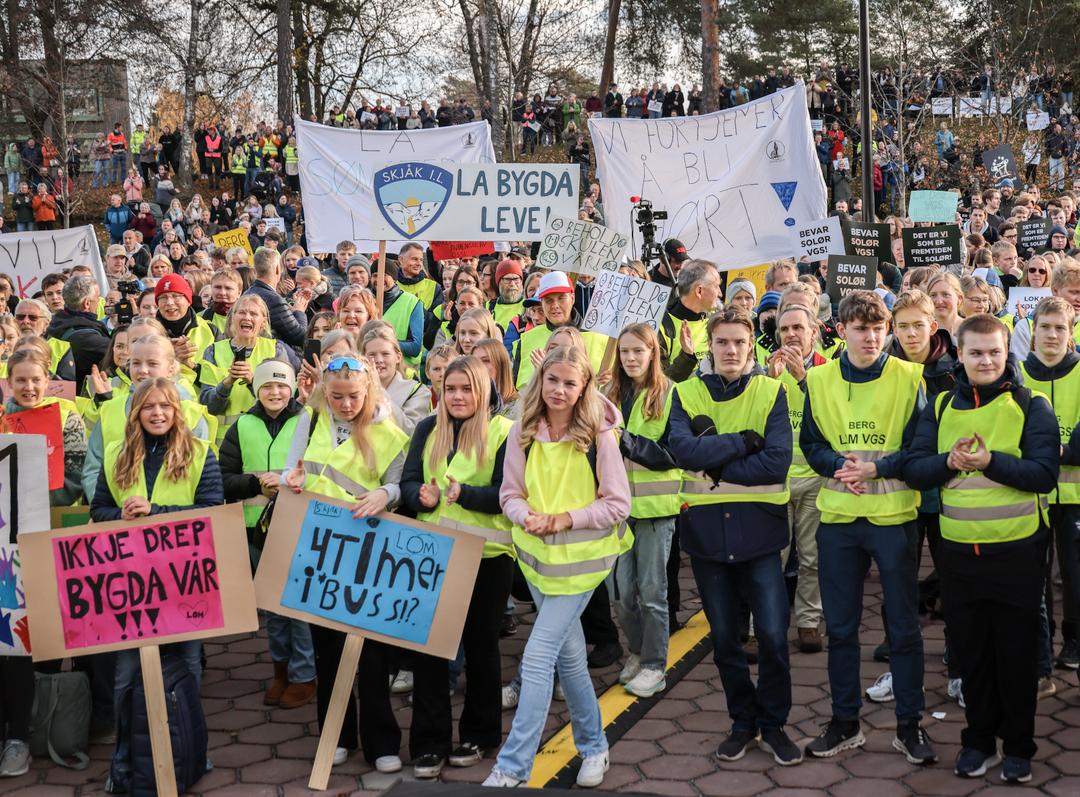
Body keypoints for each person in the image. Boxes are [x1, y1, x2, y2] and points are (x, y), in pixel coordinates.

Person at [906, 314, 1059, 784]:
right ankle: (978, 742)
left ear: (1005, 353)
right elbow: (915, 470)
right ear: (961, 356)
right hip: (956, 554)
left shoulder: (1032, 405)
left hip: (1017, 552)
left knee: (1015, 655)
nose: (986, 360)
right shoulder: (938, 408)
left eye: (994, 352)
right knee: (972, 656)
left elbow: (1042, 475)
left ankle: (1018, 747)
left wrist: (990, 462)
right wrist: (946, 463)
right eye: (975, 353)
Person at [483, 346, 631, 788]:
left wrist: (567, 519)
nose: (560, 390)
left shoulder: (600, 435)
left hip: (582, 565)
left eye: (570, 382)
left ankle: (512, 768)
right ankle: (595, 746)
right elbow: (509, 492)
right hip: (537, 562)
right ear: (540, 382)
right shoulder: (523, 430)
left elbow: (618, 504)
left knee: (537, 656)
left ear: (585, 385)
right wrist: (521, 515)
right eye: (553, 381)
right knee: (570, 661)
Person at [800, 290, 936, 764]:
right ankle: (844, 723)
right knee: (840, 629)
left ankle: (909, 727)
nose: (871, 337)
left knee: (903, 628)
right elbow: (811, 444)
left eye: (879, 329)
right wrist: (839, 465)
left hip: (894, 519)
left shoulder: (908, 377)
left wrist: (875, 470)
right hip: (839, 520)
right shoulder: (817, 380)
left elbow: (921, 447)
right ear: (841, 330)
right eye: (861, 329)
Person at [664, 308, 800, 763]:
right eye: (721, 342)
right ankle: (743, 721)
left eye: (739, 342)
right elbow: (681, 450)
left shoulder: (771, 391)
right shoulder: (684, 392)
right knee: (724, 639)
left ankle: (773, 723)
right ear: (709, 346)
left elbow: (777, 461)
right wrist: (744, 441)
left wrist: (712, 461)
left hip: (760, 532)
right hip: (705, 534)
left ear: (750, 346)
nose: (731, 350)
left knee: (774, 636)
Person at [90, 377, 222, 792]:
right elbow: (99, 510)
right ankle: (124, 763)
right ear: (135, 413)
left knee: (186, 669)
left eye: (165, 405)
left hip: (184, 584)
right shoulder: (116, 455)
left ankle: (191, 753)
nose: (158, 413)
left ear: (178, 410)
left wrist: (157, 511)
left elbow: (212, 511)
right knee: (126, 676)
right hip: (130, 588)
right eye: (148, 407)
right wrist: (122, 517)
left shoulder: (202, 454)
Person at [281, 353, 408, 772]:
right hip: (319, 550)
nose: (345, 404)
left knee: (371, 651)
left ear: (367, 391)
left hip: (367, 552)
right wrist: (291, 481)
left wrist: (386, 495)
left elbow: (401, 481)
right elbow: (290, 471)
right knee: (327, 649)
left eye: (353, 396)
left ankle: (381, 741)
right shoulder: (310, 420)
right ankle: (335, 734)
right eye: (336, 396)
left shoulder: (387, 432)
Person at [400, 356, 515, 778]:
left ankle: (480, 735)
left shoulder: (504, 431)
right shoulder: (428, 429)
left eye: (467, 389)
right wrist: (420, 498)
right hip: (433, 553)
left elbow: (507, 494)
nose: (458, 397)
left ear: (483, 392)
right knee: (430, 648)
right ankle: (429, 742)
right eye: (451, 389)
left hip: (487, 557)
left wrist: (463, 494)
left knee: (482, 649)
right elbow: (410, 481)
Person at [218, 359, 316, 708]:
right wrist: (255, 483)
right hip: (254, 527)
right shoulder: (242, 425)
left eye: (281, 385)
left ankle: (305, 674)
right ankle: (281, 670)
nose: (275, 392)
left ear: (291, 387)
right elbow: (223, 477)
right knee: (272, 605)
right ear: (257, 389)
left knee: (297, 605)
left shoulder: (308, 420)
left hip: (297, 524)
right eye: (267, 386)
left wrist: (290, 485)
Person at [604, 324, 682, 697]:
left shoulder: (671, 393)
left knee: (653, 592)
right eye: (625, 352)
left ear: (654, 354)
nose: (631, 358)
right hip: (616, 509)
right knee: (619, 592)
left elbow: (674, 452)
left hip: (655, 509)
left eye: (639, 351)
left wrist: (628, 442)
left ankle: (654, 664)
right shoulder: (609, 394)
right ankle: (637, 651)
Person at [1020, 297, 1080, 673]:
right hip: (1030, 493)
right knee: (1035, 573)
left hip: (1076, 493)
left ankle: (1073, 640)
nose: (1053, 334)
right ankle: (1041, 639)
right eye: (1046, 327)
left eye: (1061, 328)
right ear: (1033, 332)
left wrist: (1066, 450)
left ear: (1071, 333)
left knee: (1074, 575)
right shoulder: (1017, 376)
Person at [198, 293, 299, 445]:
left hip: (263, 441)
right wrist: (227, 383)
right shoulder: (213, 351)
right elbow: (209, 407)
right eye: (242, 312)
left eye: (253, 314)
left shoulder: (275, 350)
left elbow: (284, 403)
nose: (247, 317)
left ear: (263, 322)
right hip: (223, 444)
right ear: (233, 318)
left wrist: (253, 382)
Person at [4, 346, 85, 506]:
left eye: (36, 380)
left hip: (55, 515)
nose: (29, 387)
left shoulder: (68, 419)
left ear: (47, 381)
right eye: (21, 380)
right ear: (9, 382)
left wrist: (36, 503)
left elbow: (76, 476)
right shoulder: (2, 420)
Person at [511, 272, 606, 389]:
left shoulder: (599, 339)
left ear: (572, 298)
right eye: (549, 300)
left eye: (561, 298)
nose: (555, 305)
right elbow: (515, 392)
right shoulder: (527, 339)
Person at [657, 260, 721, 382]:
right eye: (716, 286)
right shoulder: (662, 328)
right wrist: (686, 356)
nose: (720, 293)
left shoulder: (718, 321)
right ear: (699, 291)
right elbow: (660, 385)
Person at [361, 325, 430, 435]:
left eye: (385, 354)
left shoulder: (417, 391)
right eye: (372, 355)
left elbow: (411, 432)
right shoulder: (356, 391)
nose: (378, 360)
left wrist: (378, 391)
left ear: (398, 357)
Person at [44, 276, 110, 386]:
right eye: (98, 298)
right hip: (82, 399)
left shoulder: (56, 324)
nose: (100, 302)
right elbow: (119, 352)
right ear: (87, 304)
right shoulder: (86, 338)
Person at [153, 273, 218, 383]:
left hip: (199, 399)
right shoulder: (148, 333)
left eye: (176, 296)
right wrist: (170, 358)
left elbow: (220, 379)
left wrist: (190, 365)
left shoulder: (210, 330)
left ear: (188, 301)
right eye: (163, 297)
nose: (169, 302)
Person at [245, 247, 309, 349]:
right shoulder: (275, 301)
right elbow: (300, 337)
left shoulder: (247, 293)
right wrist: (299, 311)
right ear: (277, 269)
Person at [372, 257, 424, 366]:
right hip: (373, 371)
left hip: (404, 373)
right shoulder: (366, 301)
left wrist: (384, 343)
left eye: (384, 275)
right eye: (375, 275)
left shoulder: (412, 302)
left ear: (394, 278)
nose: (378, 279)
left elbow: (415, 347)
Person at [396, 242, 442, 312]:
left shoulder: (434, 287)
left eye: (421, 260)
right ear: (401, 260)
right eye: (414, 259)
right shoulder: (392, 287)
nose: (419, 263)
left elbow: (437, 320)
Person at [487, 260, 525, 332]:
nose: (512, 284)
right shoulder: (489, 306)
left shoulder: (528, 307)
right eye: (508, 279)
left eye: (516, 279)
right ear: (499, 283)